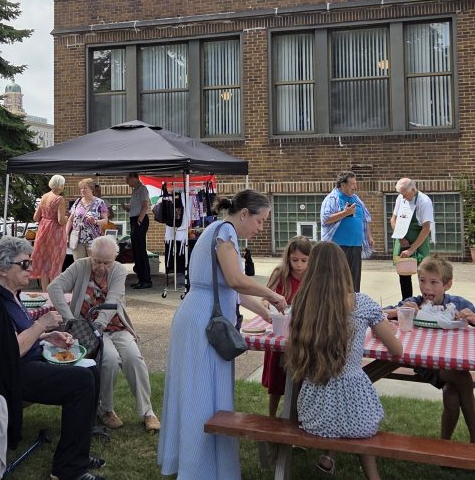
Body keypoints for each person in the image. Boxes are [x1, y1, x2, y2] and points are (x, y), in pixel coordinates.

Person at [158, 190, 288, 480]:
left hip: (202, 317)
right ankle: (198, 468)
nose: (261, 228)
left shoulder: (219, 231)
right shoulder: (225, 232)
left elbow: (232, 289)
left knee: (203, 392)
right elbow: (235, 280)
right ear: (244, 214)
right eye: (261, 221)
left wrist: (266, 313)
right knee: (201, 394)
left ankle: (203, 464)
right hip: (203, 322)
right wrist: (272, 294)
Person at [0, 236, 105, 480]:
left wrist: (48, 336)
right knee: (81, 382)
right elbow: (9, 351)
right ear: (3, 269)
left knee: (90, 371)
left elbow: (17, 335)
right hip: (4, 378)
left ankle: (77, 454)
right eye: (24, 264)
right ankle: (68, 469)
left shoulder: (10, 295)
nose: (31, 268)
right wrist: (41, 324)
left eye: (30, 262)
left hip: (21, 365)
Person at [287, 241, 403, 479]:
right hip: (356, 409)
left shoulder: (302, 303)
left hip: (313, 412)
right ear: (343, 268)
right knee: (356, 419)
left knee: (342, 415)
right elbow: (397, 350)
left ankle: (329, 456)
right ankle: (372, 477)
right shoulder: (362, 303)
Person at [49, 234, 160, 432]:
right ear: (91, 254)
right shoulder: (80, 266)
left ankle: (147, 411)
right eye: (97, 261)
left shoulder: (118, 270)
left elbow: (113, 300)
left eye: (106, 262)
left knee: (134, 359)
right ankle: (105, 409)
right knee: (109, 360)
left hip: (115, 326)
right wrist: (71, 320)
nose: (100, 267)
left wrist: (99, 324)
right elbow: (54, 287)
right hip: (87, 330)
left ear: (115, 258)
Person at [385, 256, 475, 443]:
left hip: (451, 360)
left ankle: (444, 443)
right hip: (424, 363)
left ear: (447, 285)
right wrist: (400, 311)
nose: (426, 287)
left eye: (434, 282)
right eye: (422, 281)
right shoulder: (414, 302)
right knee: (463, 377)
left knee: (452, 394)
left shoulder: (457, 304)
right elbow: (379, 313)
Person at [261, 236, 311, 417]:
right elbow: (265, 297)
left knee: (301, 379)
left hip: (302, 334)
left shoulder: (312, 276)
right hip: (281, 332)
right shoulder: (280, 273)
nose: (299, 265)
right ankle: (272, 416)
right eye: (294, 260)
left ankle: (299, 416)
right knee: (277, 380)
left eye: (304, 260)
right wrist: (267, 304)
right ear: (288, 258)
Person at [320, 171, 371, 292]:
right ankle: (338, 303)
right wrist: (345, 213)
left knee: (354, 283)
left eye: (355, 183)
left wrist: (369, 236)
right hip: (338, 247)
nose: (355, 187)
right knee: (338, 281)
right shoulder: (332, 198)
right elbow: (325, 219)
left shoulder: (356, 199)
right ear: (342, 185)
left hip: (356, 246)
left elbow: (365, 218)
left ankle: (353, 303)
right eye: (352, 184)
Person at [389, 177, 434, 301]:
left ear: (413, 189)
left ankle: (427, 301)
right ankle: (407, 301)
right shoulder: (400, 198)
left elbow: (426, 228)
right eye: (401, 194)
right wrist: (400, 237)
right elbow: (393, 219)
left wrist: (412, 249)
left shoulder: (424, 201)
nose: (403, 197)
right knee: (404, 273)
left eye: (405, 194)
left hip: (419, 240)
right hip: (402, 239)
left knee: (424, 273)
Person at [30, 174, 69, 291]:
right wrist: (66, 218)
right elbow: (60, 220)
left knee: (44, 263)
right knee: (55, 262)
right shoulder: (59, 199)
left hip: (43, 231)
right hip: (55, 233)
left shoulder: (44, 197)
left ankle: (45, 294)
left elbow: (35, 217)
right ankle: (54, 294)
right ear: (61, 185)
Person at [66, 178, 108, 261]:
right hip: (77, 240)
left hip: (93, 240)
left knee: (94, 264)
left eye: (85, 188)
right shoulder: (77, 202)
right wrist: (66, 235)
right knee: (79, 265)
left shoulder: (100, 202)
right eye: (81, 188)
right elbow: (70, 220)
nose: (82, 190)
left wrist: (95, 221)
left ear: (91, 189)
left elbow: (105, 220)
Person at [126, 172, 153, 289]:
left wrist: (139, 221)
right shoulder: (134, 190)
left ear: (135, 178)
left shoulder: (142, 189)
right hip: (134, 219)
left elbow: (145, 205)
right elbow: (134, 207)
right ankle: (141, 279)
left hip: (139, 220)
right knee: (136, 250)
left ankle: (146, 280)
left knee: (141, 250)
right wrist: (126, 208)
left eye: (128, 179)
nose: (126, 182)